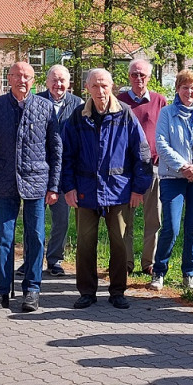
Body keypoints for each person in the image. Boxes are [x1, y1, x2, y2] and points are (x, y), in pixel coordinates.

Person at [61, 69, 153, 310]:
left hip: (119, 190)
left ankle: (118, 291)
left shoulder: (125, 114)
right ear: (87, 88)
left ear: (112, 86)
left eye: (104, 86)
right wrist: (68, 187)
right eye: (95, 86)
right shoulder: (77, 116)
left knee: (120, 242)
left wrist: (138, 189)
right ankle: (87, 292)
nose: (100, 91)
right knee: (85, 242)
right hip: (85, 190)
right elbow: (66, 155)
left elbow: (141, 154)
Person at [0, 62, 61, 314]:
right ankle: (1, 290)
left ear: (33, 81)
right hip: (4, 181)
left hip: (36, 181)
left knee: (35, 236)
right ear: (9, 78)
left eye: (26, 76)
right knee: (4, 237)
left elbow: (55, 149)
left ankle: (32, 289)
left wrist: (53, 185)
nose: (21, 80)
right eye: (17, 76)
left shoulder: (45, 107)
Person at [149, 69, 193, 291]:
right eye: (185, 87)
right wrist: (182, 166)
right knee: (171, 226)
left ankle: (189, 274)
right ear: (177, 89)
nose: (189, 91)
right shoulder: (167, 113)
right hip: (172, 177)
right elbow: (161, 143)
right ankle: (159, 271)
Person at [117, 58, 167, 274]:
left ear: (149, 77)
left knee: (153, 218)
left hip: (152, 168)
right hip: (124, 171)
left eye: (142, 75)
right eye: (134, 74)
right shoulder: (118, 100)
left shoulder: (159, 101)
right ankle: (125, 262)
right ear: (129, 76)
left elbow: (165, 132)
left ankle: (149, 263)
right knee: (124, 221)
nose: (138, 78)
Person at [37, 64, 83, 278]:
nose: (58, 84)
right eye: (54, 80)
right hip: (38, 169)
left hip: (64, 171)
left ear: (69, 83)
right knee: (34, 218)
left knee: (61, 219)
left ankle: (54, 260)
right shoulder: (35, 101)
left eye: (63, 80)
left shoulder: (78, 105)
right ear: (46, 82)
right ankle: (32, 259)